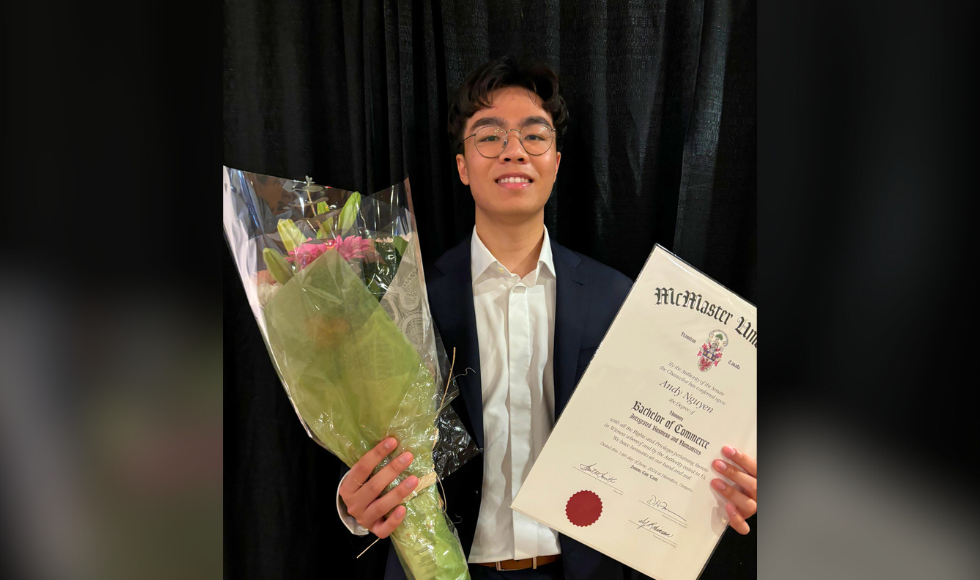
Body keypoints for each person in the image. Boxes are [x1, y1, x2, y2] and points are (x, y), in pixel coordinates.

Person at [336, 56, 757, 580]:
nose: (513, 149)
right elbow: (377, 446)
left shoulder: (618, 299)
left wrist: (713, 489)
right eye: (489, 136)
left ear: (556, 161)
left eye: (534, 135)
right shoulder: (406, 298)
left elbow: (660, 444)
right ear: (463, 166)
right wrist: (355, 506)